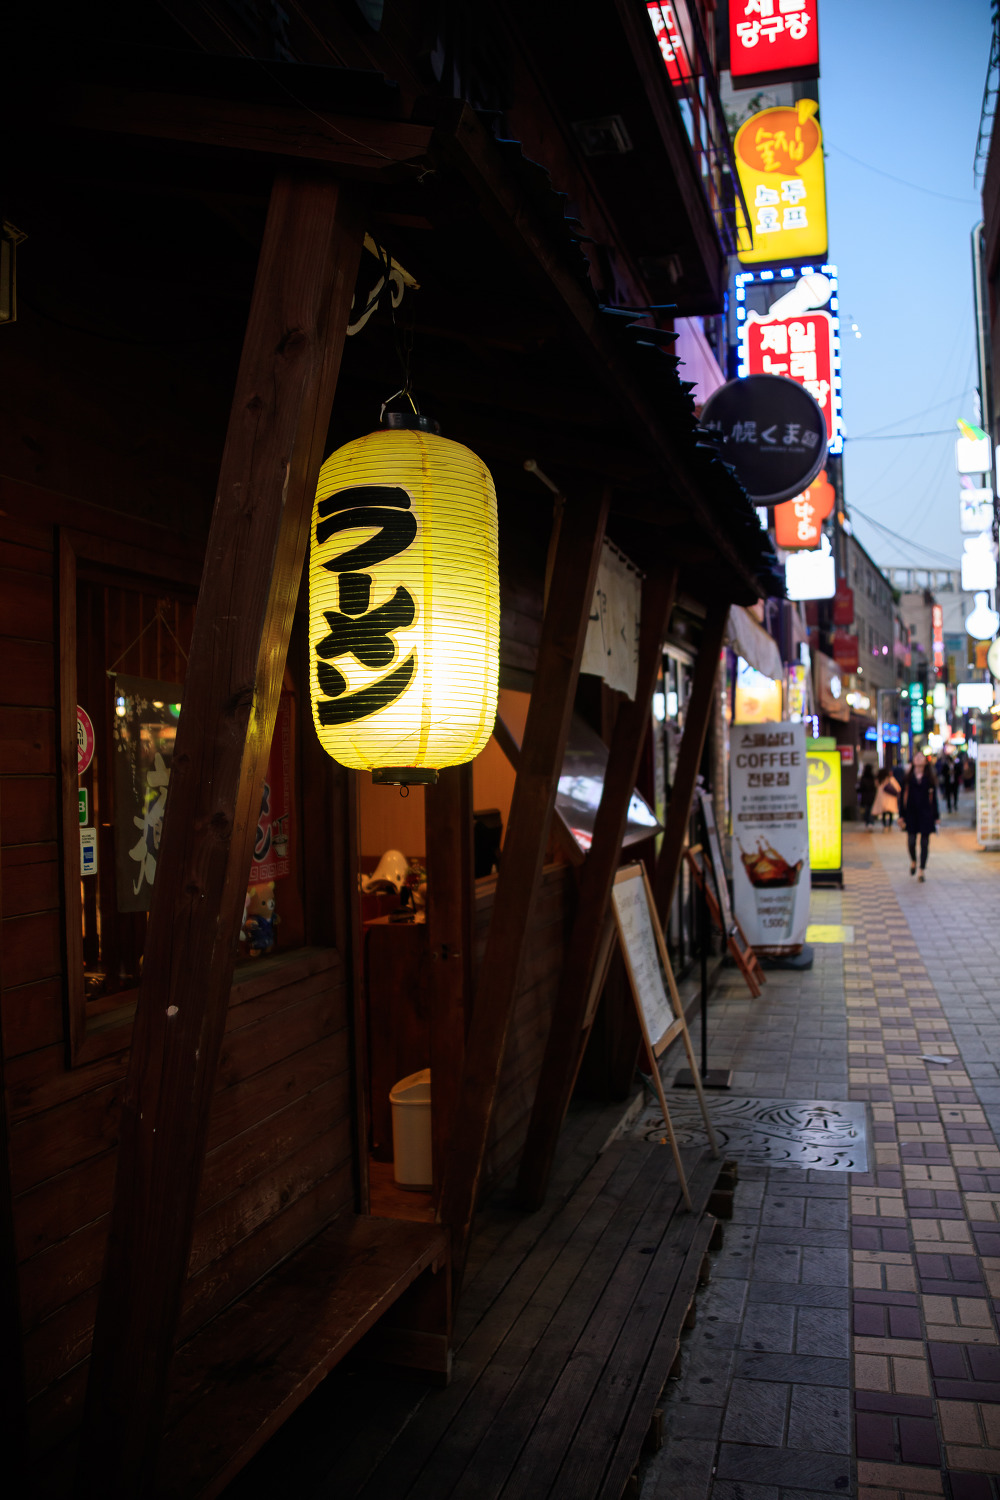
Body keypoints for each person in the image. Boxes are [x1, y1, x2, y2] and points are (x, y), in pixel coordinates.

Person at [899, 750, 940, 882]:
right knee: (911, 841)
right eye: (916, 757)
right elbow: (902, 798)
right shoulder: (907, 778)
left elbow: (934, 799)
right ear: (913, 761)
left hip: (926, 814)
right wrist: (901, 815)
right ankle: (913, 861)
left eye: (921, 757)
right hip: (911, 814)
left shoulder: (930, 778)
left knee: (924, 843)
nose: (918, 758)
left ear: (925, 762)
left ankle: (921, 870)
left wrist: (936, 817)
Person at [872, 765, 901, 831]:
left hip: (882, 799)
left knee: (883, 813)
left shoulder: (879, 780)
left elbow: (876, 786)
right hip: (890, 799)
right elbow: (898, 788)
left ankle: (885, 826)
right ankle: (889, 826)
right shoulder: (890, 779)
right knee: (890, 813)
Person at [858, 763, 877, 829]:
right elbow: (875, 787)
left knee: (866, 810)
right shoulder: (873, 778)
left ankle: (867, 823)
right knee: (871, 810)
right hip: (872, 797)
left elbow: (861, 788)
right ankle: (871, 823)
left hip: (865, 797)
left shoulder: (863, 778)